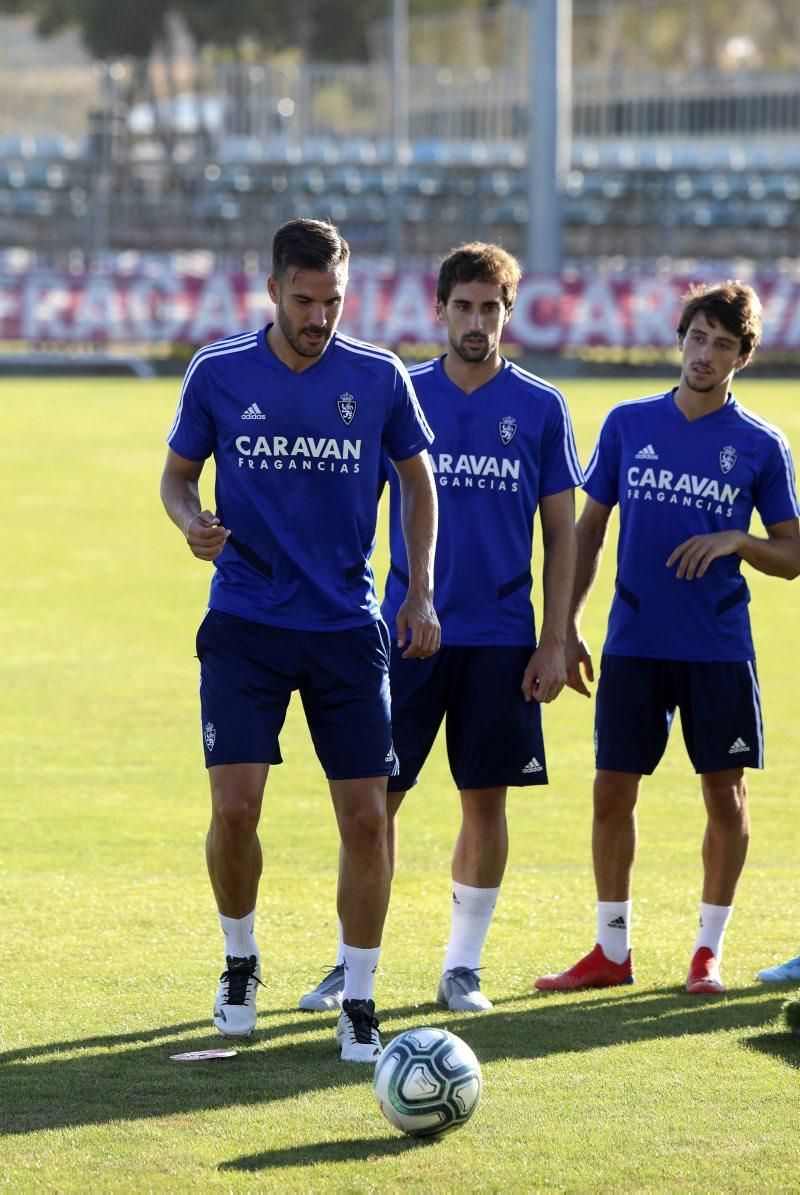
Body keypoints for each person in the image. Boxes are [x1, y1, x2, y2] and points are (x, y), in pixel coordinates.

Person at [160, 217, 440, 1062]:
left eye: (334, 301)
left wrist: (419, 589)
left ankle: (359, 997)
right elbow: (177, 476)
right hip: (245, 621)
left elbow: (418, 480)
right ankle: (240, 960)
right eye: (306, 300)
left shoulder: (379, 375)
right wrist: (190, 523)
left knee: (365, 821)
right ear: (272, 287)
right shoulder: (218, 371)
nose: (320, 317)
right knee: (235, 807)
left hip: (347, 628)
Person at [299, 241, 583, 1014]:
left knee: (483, 801)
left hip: (500, 635)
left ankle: (463, 966)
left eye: (491, 307)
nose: (476, 321)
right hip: (404, 632)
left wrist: (555, 636)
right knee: (377, 801)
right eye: (463, 305)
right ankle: (350, 964)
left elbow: (563, 532)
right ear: (440, 308)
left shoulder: (541, 407)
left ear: (507, 313)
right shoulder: (401, 391)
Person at [535, 281, 800, 996]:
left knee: (725, 794)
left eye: (721, 343)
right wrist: (564, 627)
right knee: (612, 789)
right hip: (634, 644)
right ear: (679, 337)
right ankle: (611, 950)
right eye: (696, 337)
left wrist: (737, 539)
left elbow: (793, 554)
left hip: (717, 649)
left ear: (744, 354)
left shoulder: (761, 446)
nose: (704, 354)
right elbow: (588, 533)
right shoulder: (627, 424)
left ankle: (706, 952)